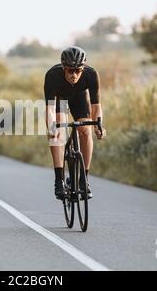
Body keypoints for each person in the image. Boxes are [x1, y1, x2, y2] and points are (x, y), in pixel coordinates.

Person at [44, 46, 106, 200]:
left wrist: (99, 126)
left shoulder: (91, 74)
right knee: (58, 131)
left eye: (78, 70)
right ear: (64, 68)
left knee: (85, 130)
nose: (74, 74)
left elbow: (96, 107)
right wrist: (51, 127)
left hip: (79, 97)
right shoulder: (53, 75)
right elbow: (50, 109)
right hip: (60, 99)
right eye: (70, 70)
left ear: (83, 69)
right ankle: (59, 180)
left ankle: (84, 179)